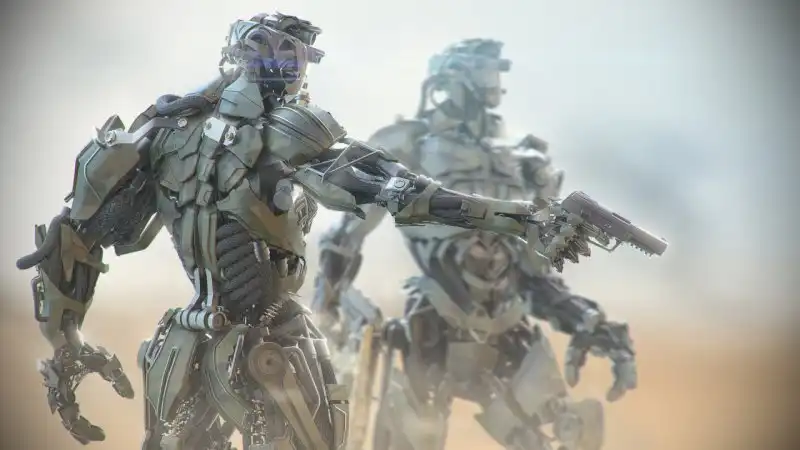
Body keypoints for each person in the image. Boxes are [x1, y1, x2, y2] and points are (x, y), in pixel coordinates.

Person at [14, 16, 621, 450]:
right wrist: (523, 218)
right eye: (291, 56)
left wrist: (65, 344)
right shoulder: (283, 133)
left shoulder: (165, 134)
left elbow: (72, 237)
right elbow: (404, 193)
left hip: (183, 343)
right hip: (270, 347)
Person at [313, 39, 656, 450]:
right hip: (436, 320)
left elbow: (535, 271)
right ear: (452, 79)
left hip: (508, 324)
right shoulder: (408, 143)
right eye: (483, 71)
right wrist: (330, 309)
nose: (491, 83)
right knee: (415, 433)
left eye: (495, 72)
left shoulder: (525, 157)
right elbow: (345, 234)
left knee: (567, 431)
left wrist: (587, 322)